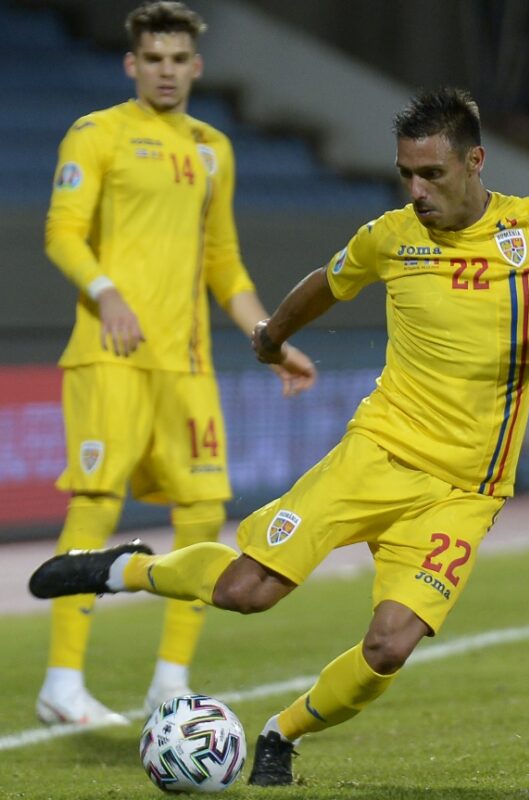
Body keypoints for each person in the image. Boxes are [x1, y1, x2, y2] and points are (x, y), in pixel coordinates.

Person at [29, 86, 529, 785]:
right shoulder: (390, 237)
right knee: (246, 590)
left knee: (387, 651)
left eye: (432, 174)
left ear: (475, 162)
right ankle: (125, 571)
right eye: (406, 173)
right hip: (378, 454)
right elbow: (325, 283)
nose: (417, 190)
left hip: (465, 492)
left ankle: (281, 735)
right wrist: (270, 337)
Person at [37, 0, 317, 727]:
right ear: (132, 64)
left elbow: (225, 265)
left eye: (177, 60)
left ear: (196, 66)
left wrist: (270, 338)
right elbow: (63, 234)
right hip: (113, 354)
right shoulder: (96, 134)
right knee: (97, 502)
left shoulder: (212, 149)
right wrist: (107, 295)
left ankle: (170, 680)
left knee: (203, 510)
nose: (165, 71)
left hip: (187, 363)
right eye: (152, 59)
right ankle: (62, 684)